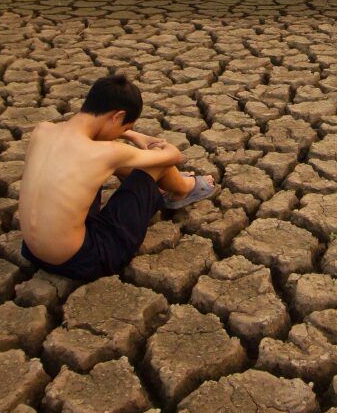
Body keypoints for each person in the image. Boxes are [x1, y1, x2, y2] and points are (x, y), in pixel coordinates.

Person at [17, 73, 215, 281]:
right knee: (157, 165)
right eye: (125, 126)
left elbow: (90, 133)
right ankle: (184, 188)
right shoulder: (107, 153)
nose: (125, 132)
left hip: (32, 251)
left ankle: (163, 187)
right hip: (84, 260)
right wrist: (152, 143)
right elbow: (173, 156)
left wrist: (128, 133)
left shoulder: (43, 130)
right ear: (117, 116)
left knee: (106, 165)